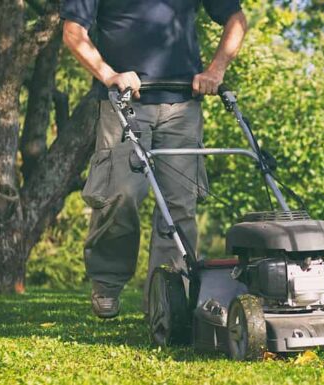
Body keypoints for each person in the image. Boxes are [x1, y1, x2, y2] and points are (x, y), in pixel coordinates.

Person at [60, 0, 247, 318]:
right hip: (125, 102)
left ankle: (168, 300)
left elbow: (237, 18)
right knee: (120, 195)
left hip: (183, 104)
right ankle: (107, 283)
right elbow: (73, 31)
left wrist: (215, 70)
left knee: (179, 205)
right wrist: (109, 75)